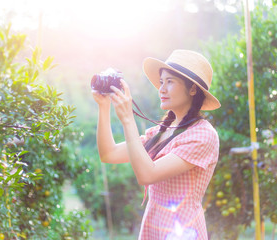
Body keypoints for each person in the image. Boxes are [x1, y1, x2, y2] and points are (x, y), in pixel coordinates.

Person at [92, 49, 221, 240]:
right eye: (161, 82)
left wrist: (128, 119)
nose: (162, 89)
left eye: (170, 82)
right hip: (155, 227)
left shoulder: (203, 135)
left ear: (192, 89)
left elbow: (147, 174)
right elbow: (108, 154)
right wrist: (104, 107)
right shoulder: (160, 132)